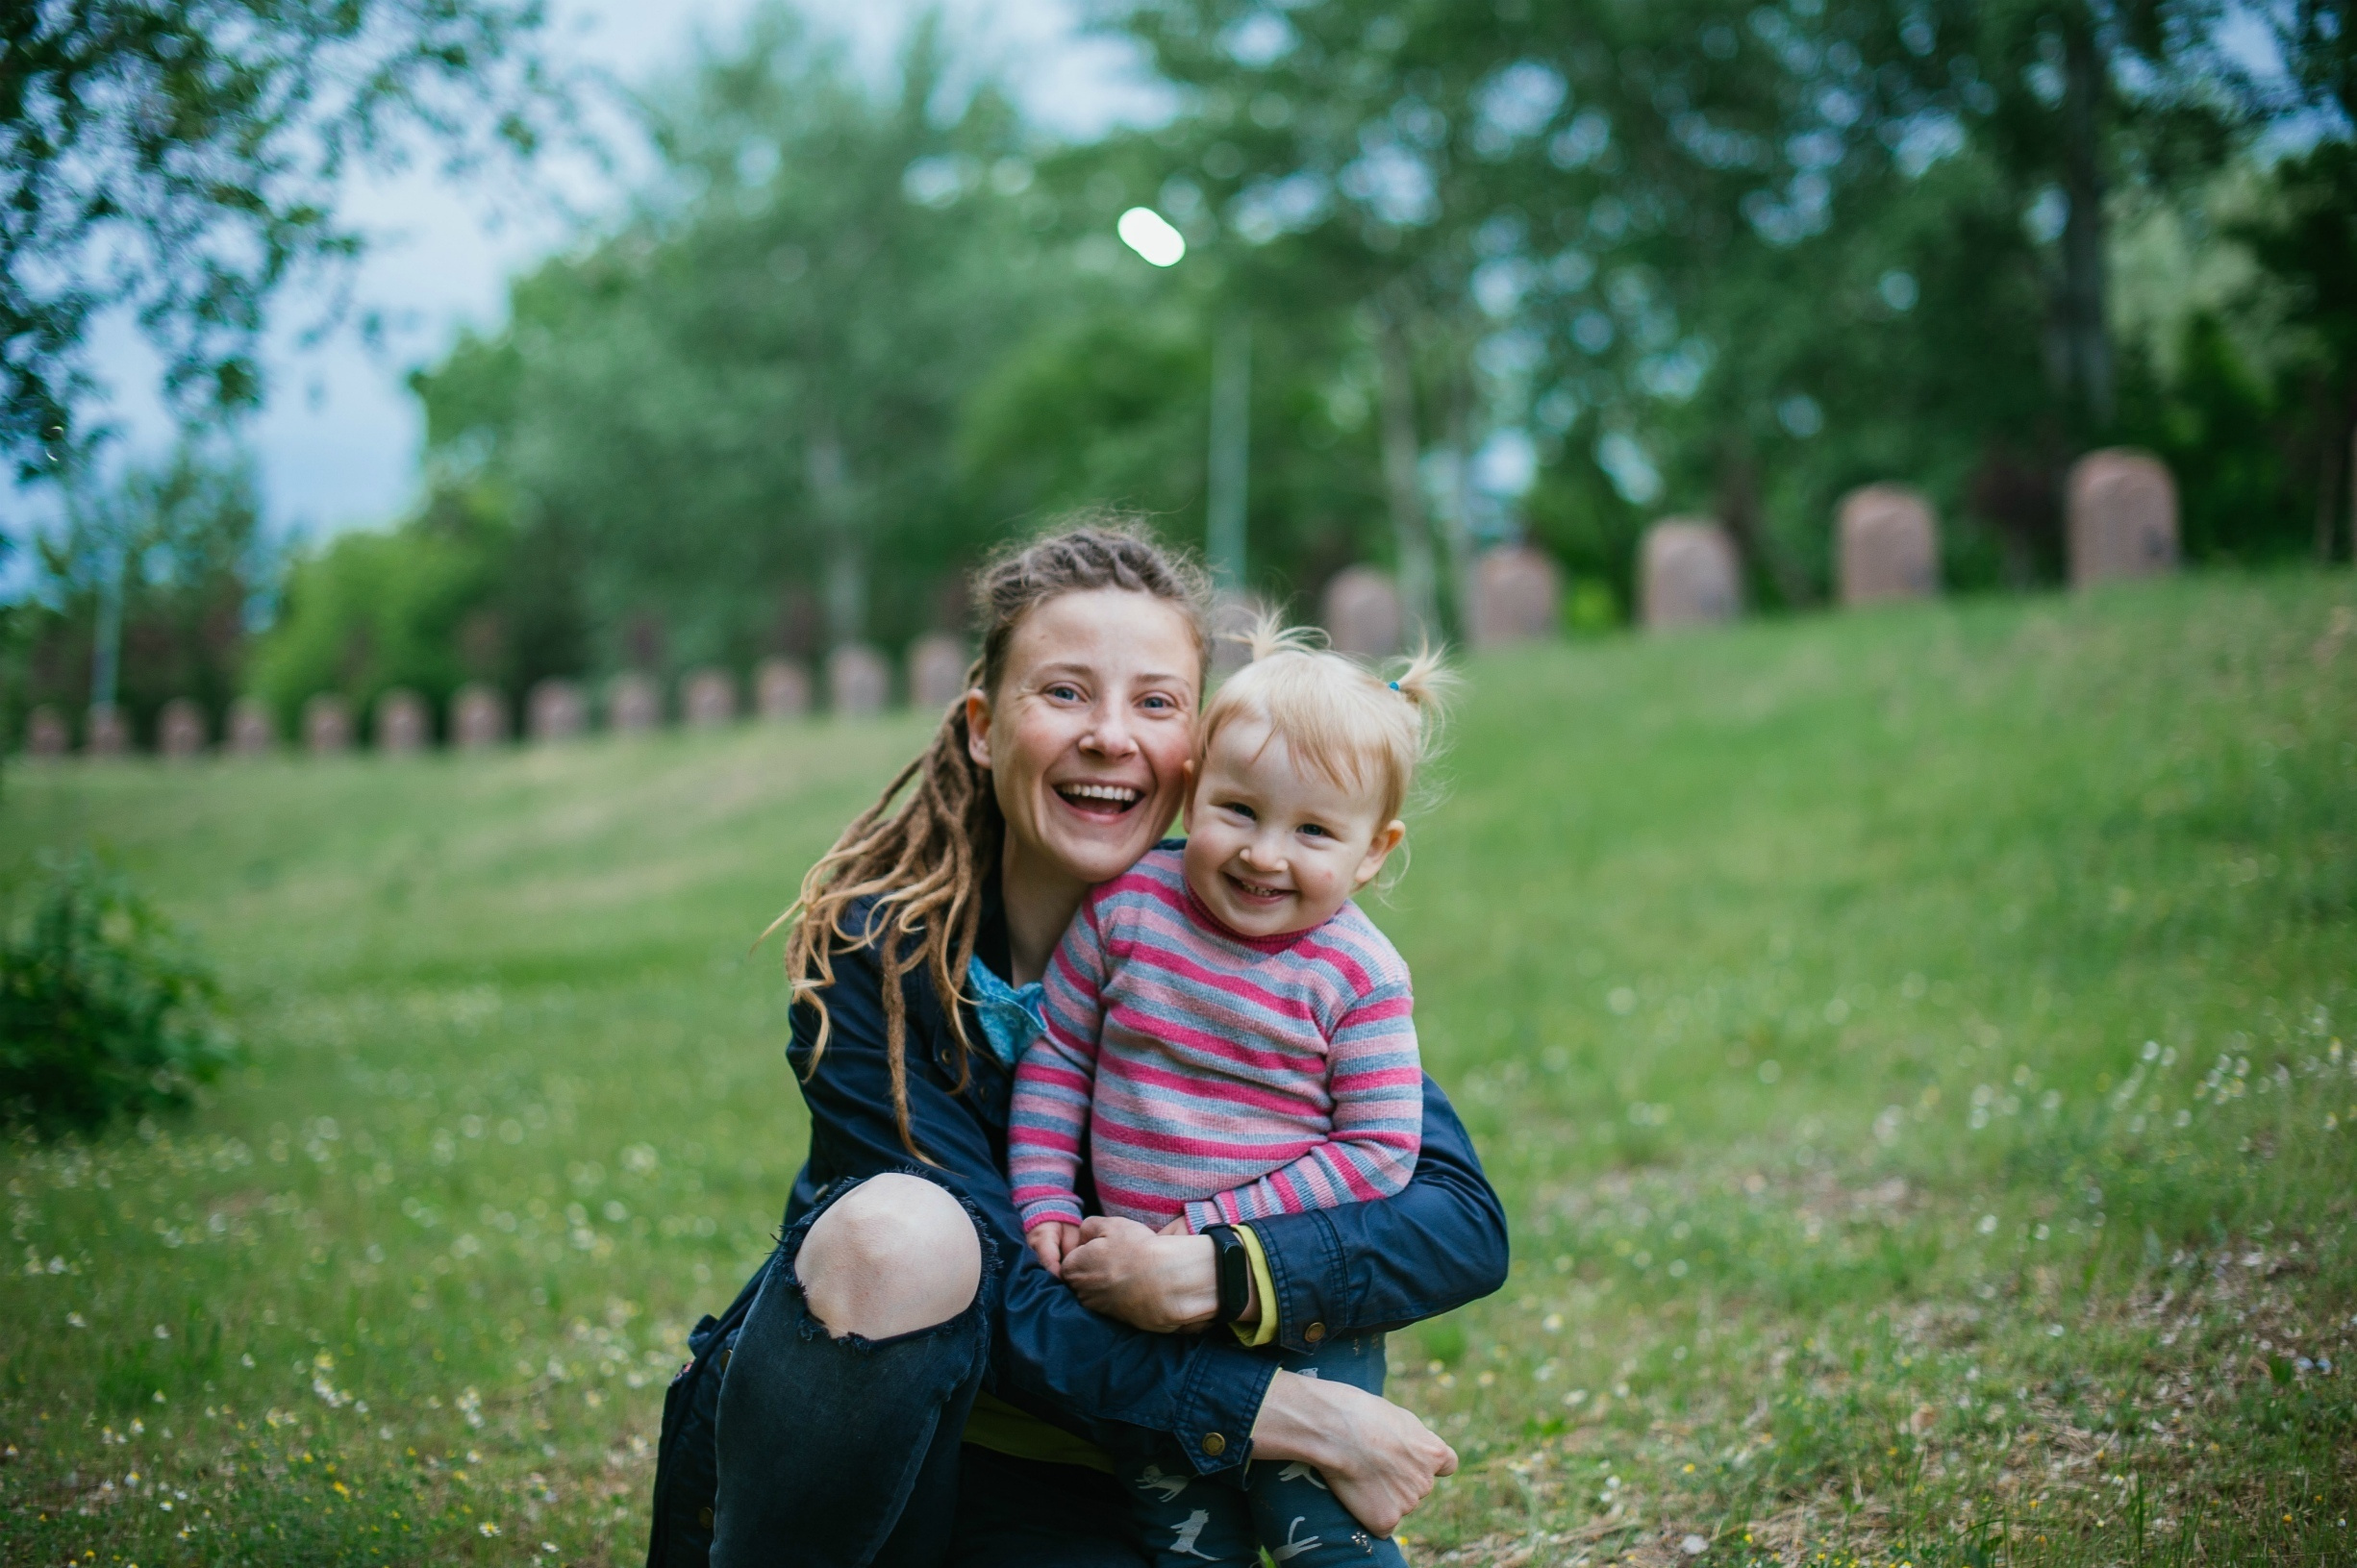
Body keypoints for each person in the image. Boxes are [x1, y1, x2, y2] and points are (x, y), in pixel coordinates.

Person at [690, 521, 1508, 1567]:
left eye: (1156, 701)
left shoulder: (1265, 941)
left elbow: (1453, 1216)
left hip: (1109, 1469)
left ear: (1197, 741)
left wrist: (1217, 1268)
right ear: (985, 724)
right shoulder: (874, 956)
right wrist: (1274, 1408)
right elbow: (995, 1280)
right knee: (901, 1228)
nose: (1111, 735)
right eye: (1065, 692)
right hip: (917, 1454)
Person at [1008, 621, 1454, 1567]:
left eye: (1314, 831)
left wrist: (1216, 1232)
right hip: (1138, 1315)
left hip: (1294, 1308)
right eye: (1239, 809)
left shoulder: (1359, 975)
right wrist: (1044, 1193)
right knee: (1184, 1537)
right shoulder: (1126, 910)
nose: (1265, 853)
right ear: (1195, 786)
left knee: (1319, 1528)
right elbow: (1057, 1059)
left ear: (1374, 850)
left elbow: (1377, 1151)